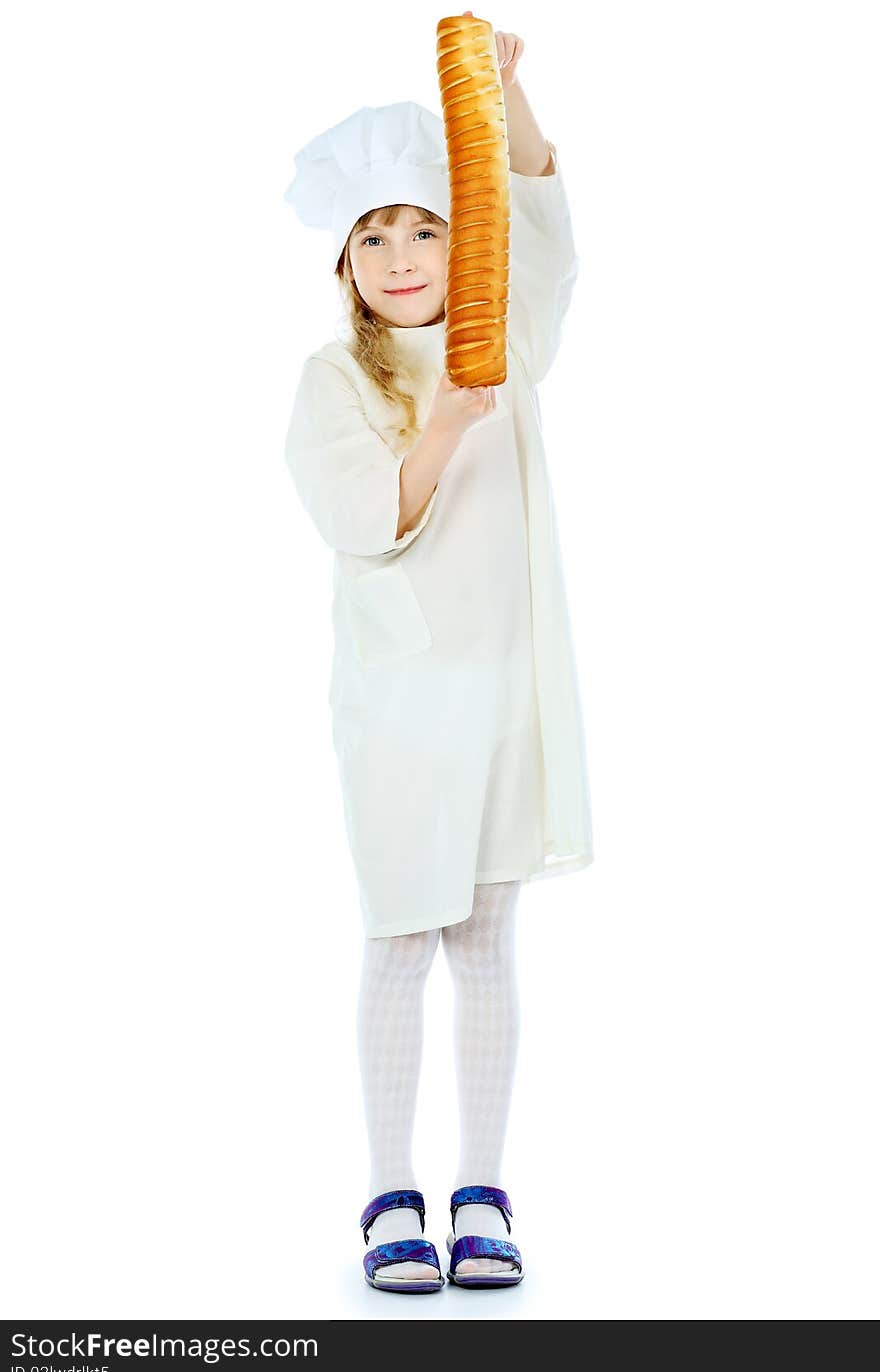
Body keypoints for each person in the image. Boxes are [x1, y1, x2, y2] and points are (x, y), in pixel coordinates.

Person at [282, 30, 593, 1293]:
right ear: (346, 265)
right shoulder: (330, 381)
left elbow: (540, 212)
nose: (404, 260)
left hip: (506, 685)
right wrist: (451, 426)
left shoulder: (505, 334)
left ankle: (481, 1191)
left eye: (423, 231)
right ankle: (385, 1196)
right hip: (403, 702)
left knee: (488, 939)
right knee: (403, 935)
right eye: (375, 240)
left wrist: (504, 86)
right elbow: (362, 521)